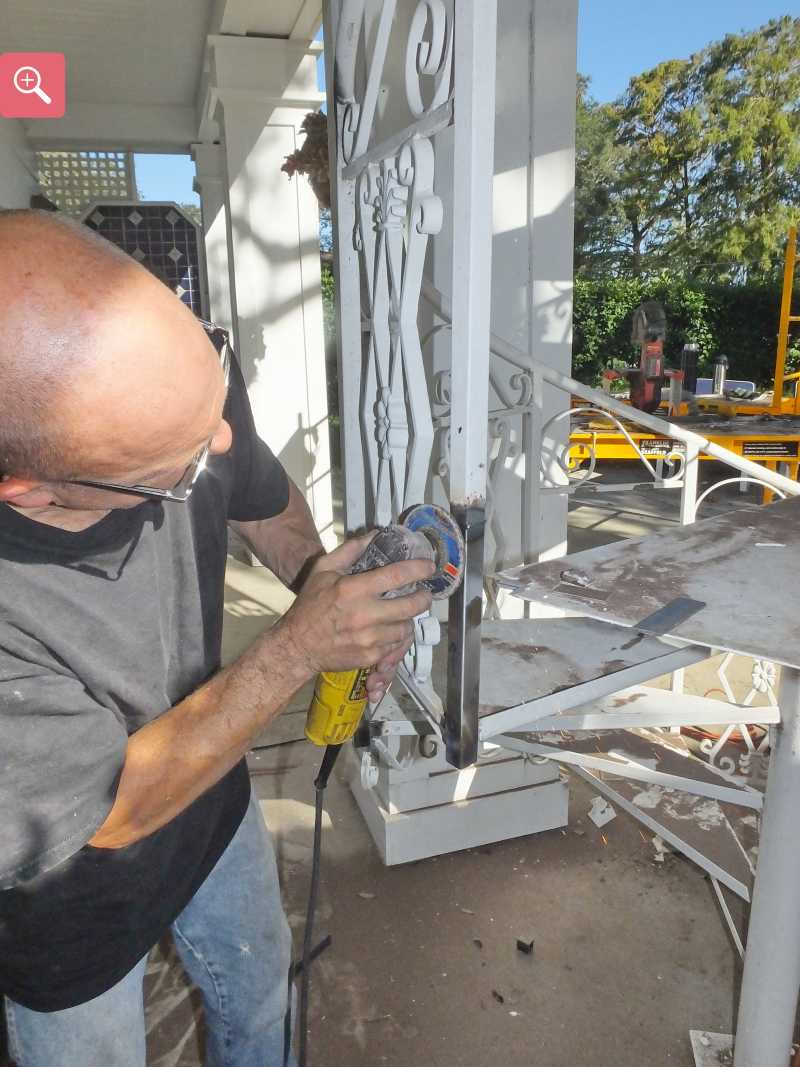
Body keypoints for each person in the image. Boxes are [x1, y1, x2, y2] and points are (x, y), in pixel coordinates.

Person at [0, 210, 432, 1067]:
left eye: (214, 400)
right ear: (35, 491)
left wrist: (326, 585)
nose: (224, 442)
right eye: (180, 466)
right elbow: (114, 811)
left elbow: (261, 493)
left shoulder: (170, 380)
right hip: (71, 909)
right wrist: (298, 649)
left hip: (215, 805)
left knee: (261, 987)